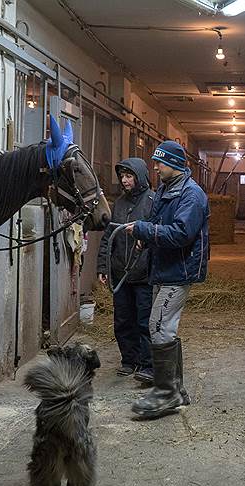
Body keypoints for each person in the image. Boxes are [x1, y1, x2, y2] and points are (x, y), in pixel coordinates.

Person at [124, 140, 209, 419]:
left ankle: (165, 393)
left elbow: (182, 233)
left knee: (158, 326)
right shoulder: (165, 189)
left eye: (159, 162)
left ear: (173, 163)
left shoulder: (191, 195)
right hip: (163, 266)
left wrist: (144, 230)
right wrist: (145, 239)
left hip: (179, 270)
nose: (156, 167)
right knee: (165, 326)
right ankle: (176, 389)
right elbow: (159, 224)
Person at [97, 158, 155, 378]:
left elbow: (158, 233)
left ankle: (146, 362)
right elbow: (107, 238)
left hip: (143, 273)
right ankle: (128, 359)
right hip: (120, 272)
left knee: (144, 319)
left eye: (129, 176)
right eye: (122, 176)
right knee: (122, 319)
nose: (124, 180)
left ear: (139, 176)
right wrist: (103, 266)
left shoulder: (152, 201)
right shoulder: (119, 203)